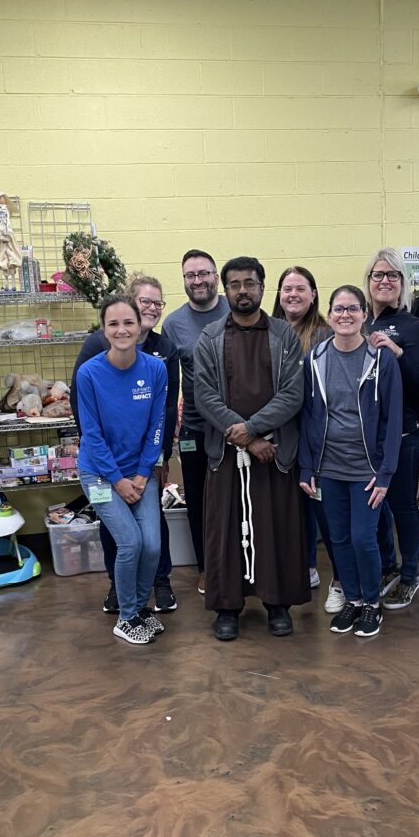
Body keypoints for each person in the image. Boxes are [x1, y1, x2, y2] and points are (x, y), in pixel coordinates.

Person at [193, 255, 309, 641]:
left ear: (262, 287)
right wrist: (244, 436)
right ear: (225, 290)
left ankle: (277, 604)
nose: (243, 291)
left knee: (275, 529)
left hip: (274, 452)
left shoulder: (283, 335)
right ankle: (227, 607)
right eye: (235, 284)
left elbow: (294, 392)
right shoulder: (209, 338)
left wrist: (256, 430)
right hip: (226, 454)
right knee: (225, 532)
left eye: (250, 283)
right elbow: (204, 395)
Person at [70, 274, 180, 616]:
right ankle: (128, 614)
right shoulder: (90, 371)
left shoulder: (156, 367)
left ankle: (139, 604)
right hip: (101, 475)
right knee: (129, 542)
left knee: (151, 545)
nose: (122, 330)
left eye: (128, 322)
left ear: (138, 326)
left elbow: (157, 424)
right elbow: (91, 432)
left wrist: (145, 472)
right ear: (103, 330)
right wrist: (117, 479)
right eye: (113, 324)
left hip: (139, 472)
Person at [299, 286, 402, 638]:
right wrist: (306, 466)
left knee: (362, 537)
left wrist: (386, 472)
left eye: (353, 309)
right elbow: (307, 415)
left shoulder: (381, 359)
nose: (345, 315)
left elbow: (392, 419)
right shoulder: (315, 358)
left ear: (364, 315)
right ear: (329, 313)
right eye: (339, 309)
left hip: (367, 471)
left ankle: (372, 604)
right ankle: (353, 601)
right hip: (328, 469)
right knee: (339, 539)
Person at [272, 265, 345, 614]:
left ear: (313, 294)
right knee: (292, 510)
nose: (293, 295)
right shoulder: (268, 332)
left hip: (318, 439)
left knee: (325, 511)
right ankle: (308, 569)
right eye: (287, 289)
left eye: (301, 288)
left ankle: (342, 580)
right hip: (279, 438)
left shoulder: (327, 336)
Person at [365, 246, 419, 610]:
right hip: (367, 439)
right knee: (375, 506)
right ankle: (388, 567)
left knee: (403, 507)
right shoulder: (361, 324)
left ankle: (411, 575)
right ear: (369, 281)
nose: (385, 280)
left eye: (393, 275)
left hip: (403, 434)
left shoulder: (411, 327)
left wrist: (397, 352)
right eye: (379, 274)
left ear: (403, 283)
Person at [161, 250, 230, 594]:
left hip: (235, 429)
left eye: (204, 273)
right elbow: (171, 381)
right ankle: (207, 569)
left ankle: (241, 566)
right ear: (184, 280)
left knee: (237, 499)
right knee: (199, 504)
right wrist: (171, 424)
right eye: (191, 275)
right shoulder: (173, 324)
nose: (198, 280)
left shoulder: (235, 310)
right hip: (194, 430)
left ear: (216, 277)